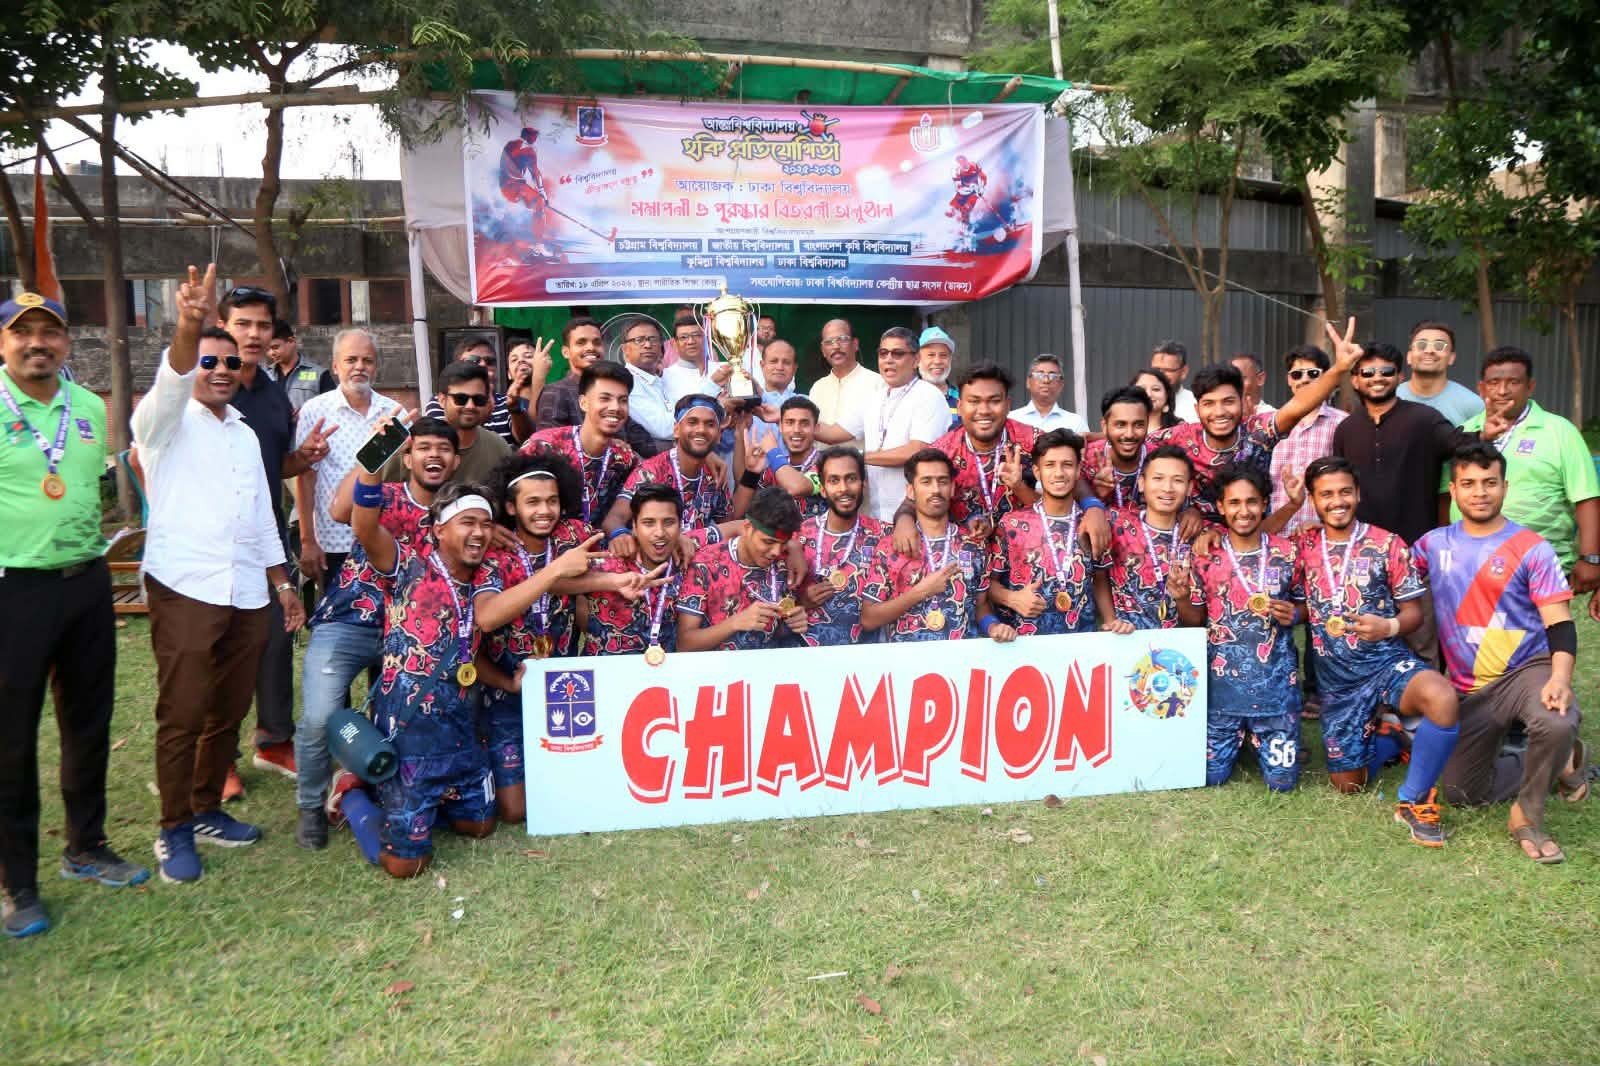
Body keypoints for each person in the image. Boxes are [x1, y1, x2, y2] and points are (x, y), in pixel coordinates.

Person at [133, 266, 306, 884]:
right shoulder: (164, 421)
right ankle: (174, 827)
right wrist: (188, 325)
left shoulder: (243, 431)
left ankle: (206, 808)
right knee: (184, 711)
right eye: (209, 361)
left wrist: (282, 586)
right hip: (186, 585)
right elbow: (174, 377)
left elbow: (261, 515)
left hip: (248, 589)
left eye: (230, 362)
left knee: (228, 709)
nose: (222, 370)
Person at [0, 292, 147, 937]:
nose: (37, 342)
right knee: (11, 740)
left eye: (49, 332)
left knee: (88, 723)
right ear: (3, 342)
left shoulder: (87, 407)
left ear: (65, 342)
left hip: (85, 582)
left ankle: (86, 846)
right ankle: (17, 883)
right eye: (22, 332)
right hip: (14, 589)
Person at [291, 416, 460, 850]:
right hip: (348, 621)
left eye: (443, 448)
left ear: (456, 461)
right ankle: (310, 805)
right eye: (424, 447)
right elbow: (338, 511)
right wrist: (376, 450)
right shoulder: (384, 493)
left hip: (411, 636)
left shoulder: (458, 512)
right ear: (408, 456)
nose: (434, 455)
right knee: (319, 717)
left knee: (404, 720)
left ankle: (386, 792)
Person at [1418, 443, 1583, 864]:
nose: (1480, 492)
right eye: (1469, 483)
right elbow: (1395, 583)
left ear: (1505, 487)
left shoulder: (1532, 548)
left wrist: (1560, 679)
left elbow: (1560, 624)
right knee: (1461, 791)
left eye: (1489, 482)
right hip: (1468, 688)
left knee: (1555, 719)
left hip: (1526, 669)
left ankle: (1527, 816)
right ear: (1454, 490)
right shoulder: (1431, 545)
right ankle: (1560, 759)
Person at [1294, 457, 1462, 843]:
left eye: (1345, 492)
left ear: (1358, 494)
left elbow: (1414, 613)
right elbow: (1262, 545)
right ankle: (1390, 736)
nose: (1337, 501)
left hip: (1385, 662)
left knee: (1441, 697)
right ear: (1313, 500)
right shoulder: (1303, 545)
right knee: (1349, 785)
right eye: (1326, 494)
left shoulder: (1387, 543)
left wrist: (1388, 627)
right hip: (1337, 683)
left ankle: (1412, 799)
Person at [349, 472, 502, 878]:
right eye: (468, 522)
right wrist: (372, 466)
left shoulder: (486, 576)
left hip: (461, 733)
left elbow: (471, 650)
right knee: (407, 866)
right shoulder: (406, 566)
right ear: (439, 530)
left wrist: (509, 682)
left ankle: (427, 806)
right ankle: (351, 795)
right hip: (408, 741)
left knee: (481, 826)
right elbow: (363, 526)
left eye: (486, 524)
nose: (479, 533)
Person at [473, 453, 640, 823]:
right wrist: (555, 571)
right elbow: (487, 617)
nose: (544, 511)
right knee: (515, 811)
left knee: (581, 790)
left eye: (552, 500)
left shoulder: (573, 536)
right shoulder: (495, 552)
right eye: (532, 502)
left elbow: (599, 562)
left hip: (564, 691)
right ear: (511, 508)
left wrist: (615, 578)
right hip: (507, 692)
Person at [216, 284, 335, 795]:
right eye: (242, 323)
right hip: (215, 545)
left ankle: (273, 739)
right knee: (220, 647)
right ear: (223, 327)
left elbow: (275, 465)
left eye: (263, 325)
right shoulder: (208, 387)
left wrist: (303, 457)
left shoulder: (271, 393)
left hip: (266, 539)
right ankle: (217, 755)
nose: (254, 334)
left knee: (275, 639)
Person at [1171, 466, 1302, 793]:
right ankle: (1241, 739)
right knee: (1211, 777)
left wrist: (1296, 613)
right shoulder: (1205, 556)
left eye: (1252, 502)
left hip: (1276, 694)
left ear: (1265, 503)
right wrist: (1182, 597)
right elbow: (1194, 621)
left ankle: (1262, 739)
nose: (1244, 511)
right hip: (1221, 696)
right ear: (1221, 506)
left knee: (1282, 783)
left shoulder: (1288, 553)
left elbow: (1307, 607)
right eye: (1234, 502)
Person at [1152, 323, 1358, 523]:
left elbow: (1298, 406)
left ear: (1242, 402)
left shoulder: (1258, 432)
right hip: (1199, 540)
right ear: (1197, 409)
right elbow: (1136, 446)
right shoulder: (1180, 437)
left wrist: (1339, 368)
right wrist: (1185, 509)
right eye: (1209, 404)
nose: (1219, 412)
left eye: (1228, 401)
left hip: (1257, 536)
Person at [1452, 347, 1600, 590]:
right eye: (1494, 383)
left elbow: (1587, 497)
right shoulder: (1466, 431)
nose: (1502, 391)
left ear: (1530, 387)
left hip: (1540, 570)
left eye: (1513, 382)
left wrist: (1591, 558)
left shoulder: (1560, 431)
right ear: (1481, 388)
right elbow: (1448, 495)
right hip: (1470, 567)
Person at [1331, 340, 1494, 547]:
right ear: (1355, 380)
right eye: (1368, 372)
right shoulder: (1346, 429)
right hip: (1360, 546)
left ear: (1400, 377)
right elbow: (1338, 484)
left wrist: (1484, 435)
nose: (1378, 378)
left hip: (1416, 544)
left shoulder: (1425, 419)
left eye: (1387, 371)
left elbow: (1458, 443)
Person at [860, 448, 1010, 642]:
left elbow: (981, 607)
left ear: (953, 488)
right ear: (911, 491)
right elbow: (869, 619)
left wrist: (993, 626)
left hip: (962, 658)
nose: (936, 490)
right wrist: (920, 592)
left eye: (942, 481)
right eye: (926, 481)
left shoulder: (974, 545)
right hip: (908, 659)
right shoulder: (889, 547)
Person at [294, 328, 401, 590]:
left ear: (376, 367)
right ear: (335, 366)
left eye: (367, 360)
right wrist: (308, 541)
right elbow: (305, 477)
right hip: (334, 541)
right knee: (338, 612)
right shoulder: (315, 411)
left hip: (385, 539)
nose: (359, 367)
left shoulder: (393, 412)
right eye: (351, 360)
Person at [816, 327, 950, 523]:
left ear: (916, 360)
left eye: (897, 354)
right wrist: (787, 418)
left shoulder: (929, 396)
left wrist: (860, 457)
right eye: (883, 353)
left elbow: (918, 451)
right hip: (875, 514)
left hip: (914, 514)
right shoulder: (874, 396)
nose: (888, 360)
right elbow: (834, 432)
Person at [990, 430, 1104, 635]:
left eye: (1067, 464)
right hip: (1025, 643)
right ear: (1037, 471)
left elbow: (1102, 580)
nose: (1059, 473)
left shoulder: (1092, 524)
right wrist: (1012, 598)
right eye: (1050, 465)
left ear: (1078, 470)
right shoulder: (1012, 524)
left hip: (1083, 642)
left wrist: (1111, 621)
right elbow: (985, 585)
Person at [676, 486, 809, 651]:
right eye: (768, 542)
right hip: (719, 665)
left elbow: (778, 631)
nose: (776, 551)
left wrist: (794, 622)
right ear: (747, 528)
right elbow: (685, 644)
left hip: (770, 663)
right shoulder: (706, 564)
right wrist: (735, 623)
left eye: (783, 543)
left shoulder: (786, 562)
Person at [604, 394, 734, 548]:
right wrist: (620, 535)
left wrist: (750, 474)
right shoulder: (651, 472)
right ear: (676, 430)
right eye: (692, 422)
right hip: (655, 554)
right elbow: (614, 519)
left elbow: (730, 523)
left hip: (697, 557)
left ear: (719, 435)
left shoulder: (715, 474)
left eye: (710, 424)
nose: (701, 430)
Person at [520, 362, 640, 529]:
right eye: (605, 398)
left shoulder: (625, 459)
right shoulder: (544, 446)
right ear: (583, 403)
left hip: (603, 542)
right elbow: (507, 493)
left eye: (623, 400)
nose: (615, 407)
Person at [1094, 444, 1197, 632]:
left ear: (1189, 488)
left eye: (1177, 480)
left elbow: (1198, 622)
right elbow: (1098, 573)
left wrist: (1182, 598)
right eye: (1158, 478)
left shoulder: (1200, 536)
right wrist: (1111, 620)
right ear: (1141, 483)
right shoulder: (1115, 523)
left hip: (1178, 646)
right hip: (1125, 638)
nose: (1167, 488)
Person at [794, 446, 888, 646]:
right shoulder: (799, 536)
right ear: (823, 489)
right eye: (834, 480)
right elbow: (775, 601)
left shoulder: (885, 535)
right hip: (805, 652)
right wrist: (801, 602)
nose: (843, 488)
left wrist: (905, 517)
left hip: (866, 655)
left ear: (863, 484)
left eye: (851, 479)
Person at [580, 484, 688, 658]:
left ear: (680, 527)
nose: (660, 532)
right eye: (649, 523)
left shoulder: (690, 564)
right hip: (605, 672)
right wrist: (610, 582)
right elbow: (553, 581)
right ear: (635, 528)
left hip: (667, 672)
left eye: (668, 522)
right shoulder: (607, 564)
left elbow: (732, 531)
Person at [385, 360, 511, 486]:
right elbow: (376, 489)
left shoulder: (498, 447)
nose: (470, 406)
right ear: (442, 400)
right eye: (460, 399)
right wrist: (379, 446)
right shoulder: (412, 444)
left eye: (478, 399)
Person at [1267, 345, 1346, 535]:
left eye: (1313, 373)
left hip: (1323, 534)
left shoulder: (1342, 423)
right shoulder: (1271, 425)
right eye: (1297, 375)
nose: (1304, 380)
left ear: (1326, 377)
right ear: (1289, 380)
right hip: (1276, 536)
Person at [422, 338, 517, 446]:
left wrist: (516, 409)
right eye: (473, 360)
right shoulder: (443, 400)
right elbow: (445, 442)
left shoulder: (507, 401)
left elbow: (523, 438)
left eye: (489, 361)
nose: (483, 365)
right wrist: (482, 416)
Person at [808, 318, 882, 451]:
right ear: (823, 350)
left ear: (855, 344)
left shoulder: (876, 383)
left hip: (863, 463)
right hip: (821, 463)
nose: (836, 346)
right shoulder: (817, 387)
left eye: (842, 339)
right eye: (829, 342)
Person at [753, 395, 828, 520]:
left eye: (804, 423)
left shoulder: (827, 463)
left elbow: (796, 488)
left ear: (816, 428)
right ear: (780, 427)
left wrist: (773, 451)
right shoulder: (772, 469)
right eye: (790, 423)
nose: (796, 429)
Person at [1397, 320, 1484, 425]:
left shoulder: (1472, 405)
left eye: (1439, 346)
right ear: (1409, 356)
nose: (1429, 351)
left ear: (1451, 357)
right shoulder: (1389, 399)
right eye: (1421, 345)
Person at [1081, 385, 1153, 509]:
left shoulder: (1160, 458)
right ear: (1104, 426)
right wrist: (1095, 496)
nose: (1129, 434)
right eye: (1120, 425)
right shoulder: (1085, 459)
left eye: (1138, 425)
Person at [616, 316, 675, 454]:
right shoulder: (626, 382)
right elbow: (664, 428)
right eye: (639, 340)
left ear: (661, 347)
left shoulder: (663, 378)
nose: (648, 345)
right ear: (625, 349)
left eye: (653, 339)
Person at [535, 317, 602, 431]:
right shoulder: (555, 392)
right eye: (581, 343)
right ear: (566, 352)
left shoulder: (612, 390)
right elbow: (548, 439)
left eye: (597, 342)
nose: (591, 347)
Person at [263, 318, 334, 412]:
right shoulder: (264, 376)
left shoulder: (319, 375)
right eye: (267, 349)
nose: (271, 353)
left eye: (275, 347)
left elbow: (332, 409)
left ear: (291, 341)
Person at [1009, 354, 1089, 433]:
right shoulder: (1011, 419)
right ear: (1028, 382)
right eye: (1040, 375)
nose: (1046, 380)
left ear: (1061, 385)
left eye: (1053, 375)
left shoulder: (1075, 423)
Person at [663, 314, 733, 404]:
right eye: (683, 337)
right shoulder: (666, 376)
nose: (691, 341)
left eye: (696, 335)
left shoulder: (725, 370)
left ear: (706, 338)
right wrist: (714, 386)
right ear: (675, 343)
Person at [503, 336, 551, 442]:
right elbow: (529, 439)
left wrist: (539, 377)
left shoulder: (556, 397)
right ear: (508, 374)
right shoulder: (505, 404)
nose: (521, 360)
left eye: (528, 356)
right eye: (514, 359)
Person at [917, 326, 961, 431]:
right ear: (917, 360)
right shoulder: (908, 397)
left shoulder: (961, 397)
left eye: (943, 355)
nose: (937, 361)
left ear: (950, 359)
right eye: (931, 355)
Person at [1150, 341, 1197, 422]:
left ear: (1184, 372)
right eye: (1156, 369)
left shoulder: (1195, 404)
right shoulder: (1139, 402)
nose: (1160, 375)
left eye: (1167, 370)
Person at [1229, 353, 1275, 417]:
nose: (1234, 385)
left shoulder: (1272, 416)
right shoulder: (1222, 414)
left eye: (1240, 379)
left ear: (1260, 379)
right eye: (1230, 380)